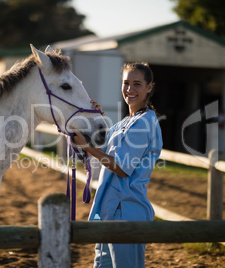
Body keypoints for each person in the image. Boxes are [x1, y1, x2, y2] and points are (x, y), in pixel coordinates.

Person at [73, 62, 163, 267]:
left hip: (127, 211)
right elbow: (102, 139)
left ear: (149, 87)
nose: (130, 89)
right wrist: (94, 115)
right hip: (109, 210)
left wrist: (87, 147)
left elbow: (122, 168)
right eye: (126, 83)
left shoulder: (144, 123)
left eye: (137, 84)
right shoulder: (127, 121)